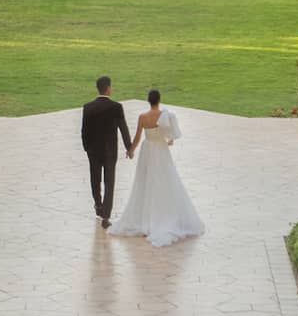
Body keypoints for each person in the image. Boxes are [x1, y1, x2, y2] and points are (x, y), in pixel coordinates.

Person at [109, 88, 205, 248]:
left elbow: (138, 136)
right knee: (165, 180)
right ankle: (162, 216)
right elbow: (170, 135)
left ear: (148, 100)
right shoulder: (165, 115)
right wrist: (170, 141)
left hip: (147, 150)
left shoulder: (143, 117)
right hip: (160, 150)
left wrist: (131, 150)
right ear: (159, 100)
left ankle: (146, 219)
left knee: (145, 181)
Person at [80, 75, 131, 228]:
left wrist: (87, 148)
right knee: (110, 183)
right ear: (108, 88)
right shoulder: (116, 107)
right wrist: (129, 147)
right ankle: (106, 217)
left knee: (95, 179)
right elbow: (123, 129)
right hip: (110, 152)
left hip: (93, 152)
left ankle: (98, 205)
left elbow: (84, 131)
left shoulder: (88, 107)